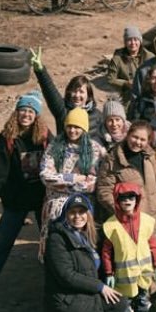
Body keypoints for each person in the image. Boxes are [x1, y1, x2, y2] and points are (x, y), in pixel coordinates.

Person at [0, 92, 51, 306]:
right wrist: (8, 198)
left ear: (36, 115)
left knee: (49, 243)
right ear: (17, 112)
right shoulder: (5, 139)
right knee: (3, 243)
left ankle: (52, 284)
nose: (26, 115)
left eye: (31, 111)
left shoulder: (44, 135)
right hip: (16, 201)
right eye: (23, 110)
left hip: (40, 199)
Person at [41, 194, 124, 312]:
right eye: (73, 212)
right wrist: (99, 287)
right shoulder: (57, 239)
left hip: (83, 290)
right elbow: (66, 276)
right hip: (65, 296)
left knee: (120, 304)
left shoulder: (88, 235)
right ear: (65, 214)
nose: (77, 216)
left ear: (89, 214)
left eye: (82, 212)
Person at [39, 108, 107, 257]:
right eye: (69, 126)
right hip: (56, 206)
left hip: (83, 208)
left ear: (84, 128)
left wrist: (61, 180)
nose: (72, 130)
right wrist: (76, 178)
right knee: (56, 248)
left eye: (77, 127)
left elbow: (93, 183)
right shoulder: (54, 147)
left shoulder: (95, 149)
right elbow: (46, 176)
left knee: (82, 248)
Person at [101, 182, 156, 312]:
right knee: (125, 304)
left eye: (131, 197)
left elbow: (154, 244)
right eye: (123, 198)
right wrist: (108, 272)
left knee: (143, 300)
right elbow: (106, 251)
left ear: (137, 200)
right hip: (125, 276)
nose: (127, 201)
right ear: (117, 201)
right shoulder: (112, 225)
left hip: (143, 274)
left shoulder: (146, 221)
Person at [95, 120, 156, 232]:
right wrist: (123, 212)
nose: (137, 142)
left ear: (148, 141)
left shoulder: (151, 157)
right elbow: (104, 190)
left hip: (154, 221)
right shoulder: (113, 160)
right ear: (128, 135)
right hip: (129, 224)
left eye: (142, 140)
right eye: (135, 137)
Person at [31, 52, 104, 141]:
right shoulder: (62, 110)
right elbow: (50, 91)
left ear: (88, 95)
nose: (77, 95)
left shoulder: (97, 115)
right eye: (74, 91)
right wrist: (41, 72)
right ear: (69, 92)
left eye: (81, 92)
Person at [106, 25, 151, 95]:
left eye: (135, 39)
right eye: (129, 40)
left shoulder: (149, 56)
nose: (133, 43)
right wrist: (126, 83)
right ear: (125, 42)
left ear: (140, 41)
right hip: (127, 95)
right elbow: (111, 79)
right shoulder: (118, 58)